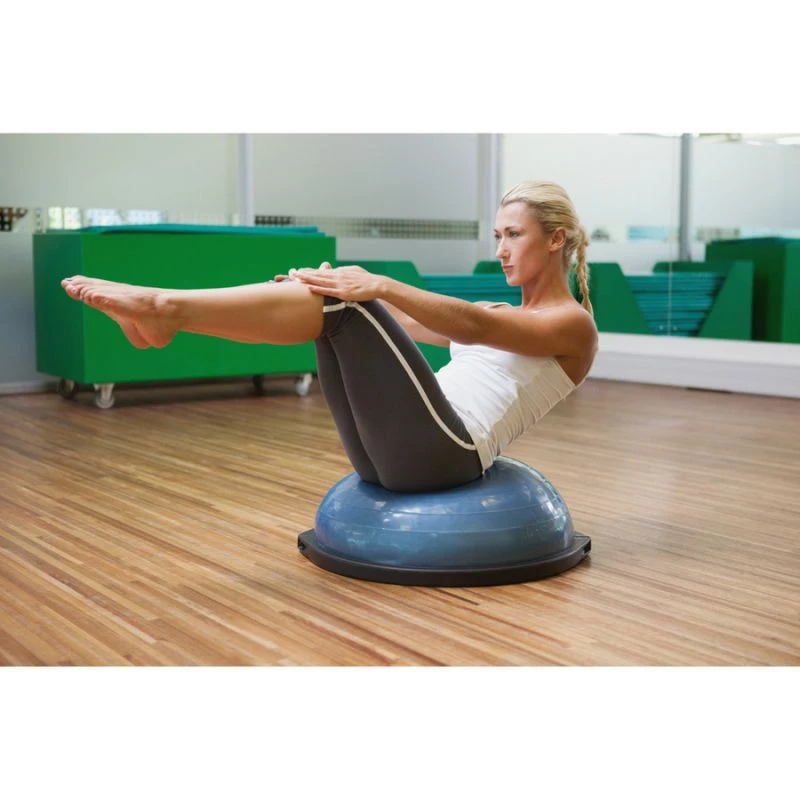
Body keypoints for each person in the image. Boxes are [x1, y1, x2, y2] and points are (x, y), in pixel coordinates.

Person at [61, 180, 598, 493]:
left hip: (447, 453)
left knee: (344, 303)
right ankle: (166, 314)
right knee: (335, 302)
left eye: (514, 235)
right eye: (498, 235)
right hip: (387, 453)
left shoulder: (573, 325)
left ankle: (163, 308)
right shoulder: (503, 311)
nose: (501, 249)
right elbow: (405, 325)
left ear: (556, 240)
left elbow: (475, 326)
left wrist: (376, 284)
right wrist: (320, 288)